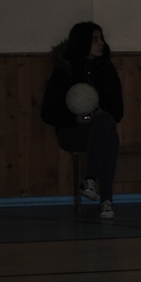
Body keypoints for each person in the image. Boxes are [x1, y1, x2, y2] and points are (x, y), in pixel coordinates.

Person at [41, 21, 124, 219]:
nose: (101, 43)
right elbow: (47, 113)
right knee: (110, 139)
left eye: (101, 38)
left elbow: (118, 111)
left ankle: (90, 181)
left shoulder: (107, 70)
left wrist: (100, 112)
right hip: (71, 132)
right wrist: (74, 119)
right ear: (82, 42)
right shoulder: (64, 71)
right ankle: (105, 201)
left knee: (107, 127)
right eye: (95, 39)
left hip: (100, 129)